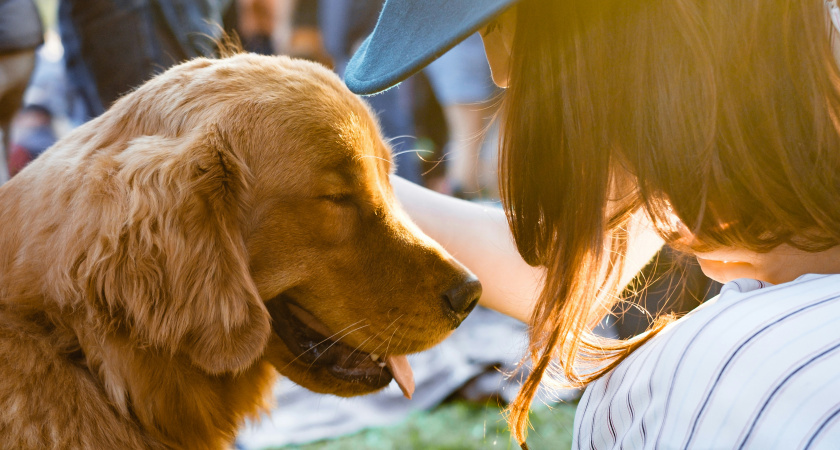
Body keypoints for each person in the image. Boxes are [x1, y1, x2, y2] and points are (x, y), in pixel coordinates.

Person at [343, 0, 840, 448]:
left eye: (494, 24)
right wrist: (348, 191)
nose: (498, 72)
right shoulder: (715, 99)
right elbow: (566, 272)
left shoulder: (713, 382)